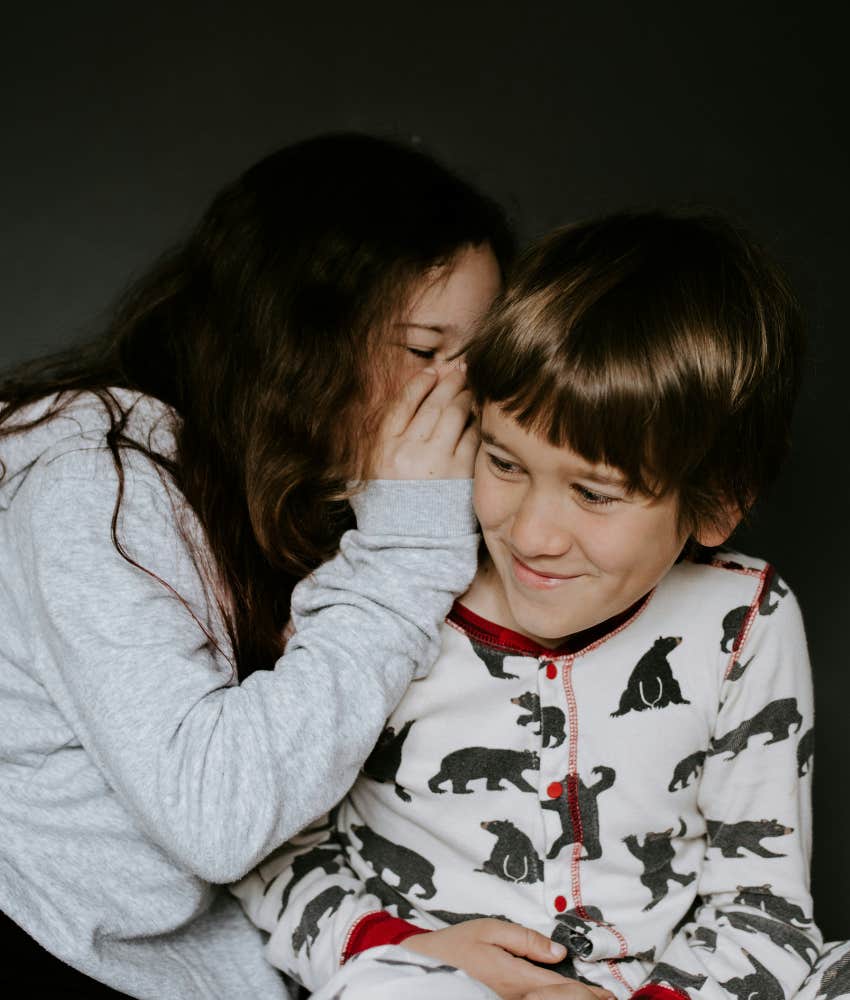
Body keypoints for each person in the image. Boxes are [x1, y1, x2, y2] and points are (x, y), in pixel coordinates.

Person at [235, 211, 847, 1000]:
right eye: (503, 461)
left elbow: (763, 907)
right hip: (423, 972)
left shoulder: (746, 620)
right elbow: (270, 845)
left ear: (717, 504)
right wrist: (411, 952)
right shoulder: (383, 592)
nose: (531, 533)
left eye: (593, 493)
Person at [0, 132, 516, 997]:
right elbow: (220, 817)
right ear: (297, 337)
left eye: (478, 361)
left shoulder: (297, 495)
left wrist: (390, 944)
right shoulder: (94, 477)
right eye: (425, 352)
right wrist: (408, 546)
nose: (458, 397)